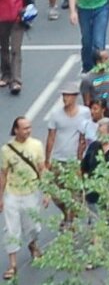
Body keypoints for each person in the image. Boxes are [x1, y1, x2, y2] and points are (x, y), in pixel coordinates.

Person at [1, 115, 41, 278]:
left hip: (31, 192)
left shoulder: (36, 145)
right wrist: (1, 197)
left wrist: (46, 192)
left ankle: (33, 244)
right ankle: (13, 264)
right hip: (12, 194)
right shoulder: (7, 150)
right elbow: (3, 173)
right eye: (24, 128)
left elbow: (41, 168)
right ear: (16, 130)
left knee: (33, 226)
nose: (28, 131)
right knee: (11, 229)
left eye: (29, 127)